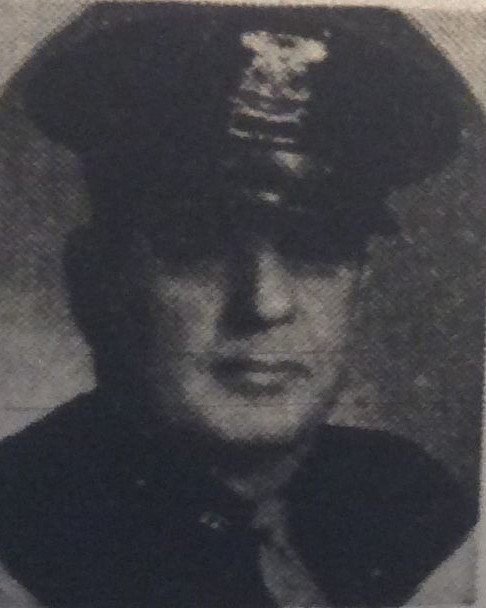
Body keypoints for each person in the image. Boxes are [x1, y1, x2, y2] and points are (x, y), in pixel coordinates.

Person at [0, 3, 478, 607]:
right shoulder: (21, 525)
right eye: (196, 247)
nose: (265, 302)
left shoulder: (412, 504)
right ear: (95, 283)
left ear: (359, 287)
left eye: (314, 248)